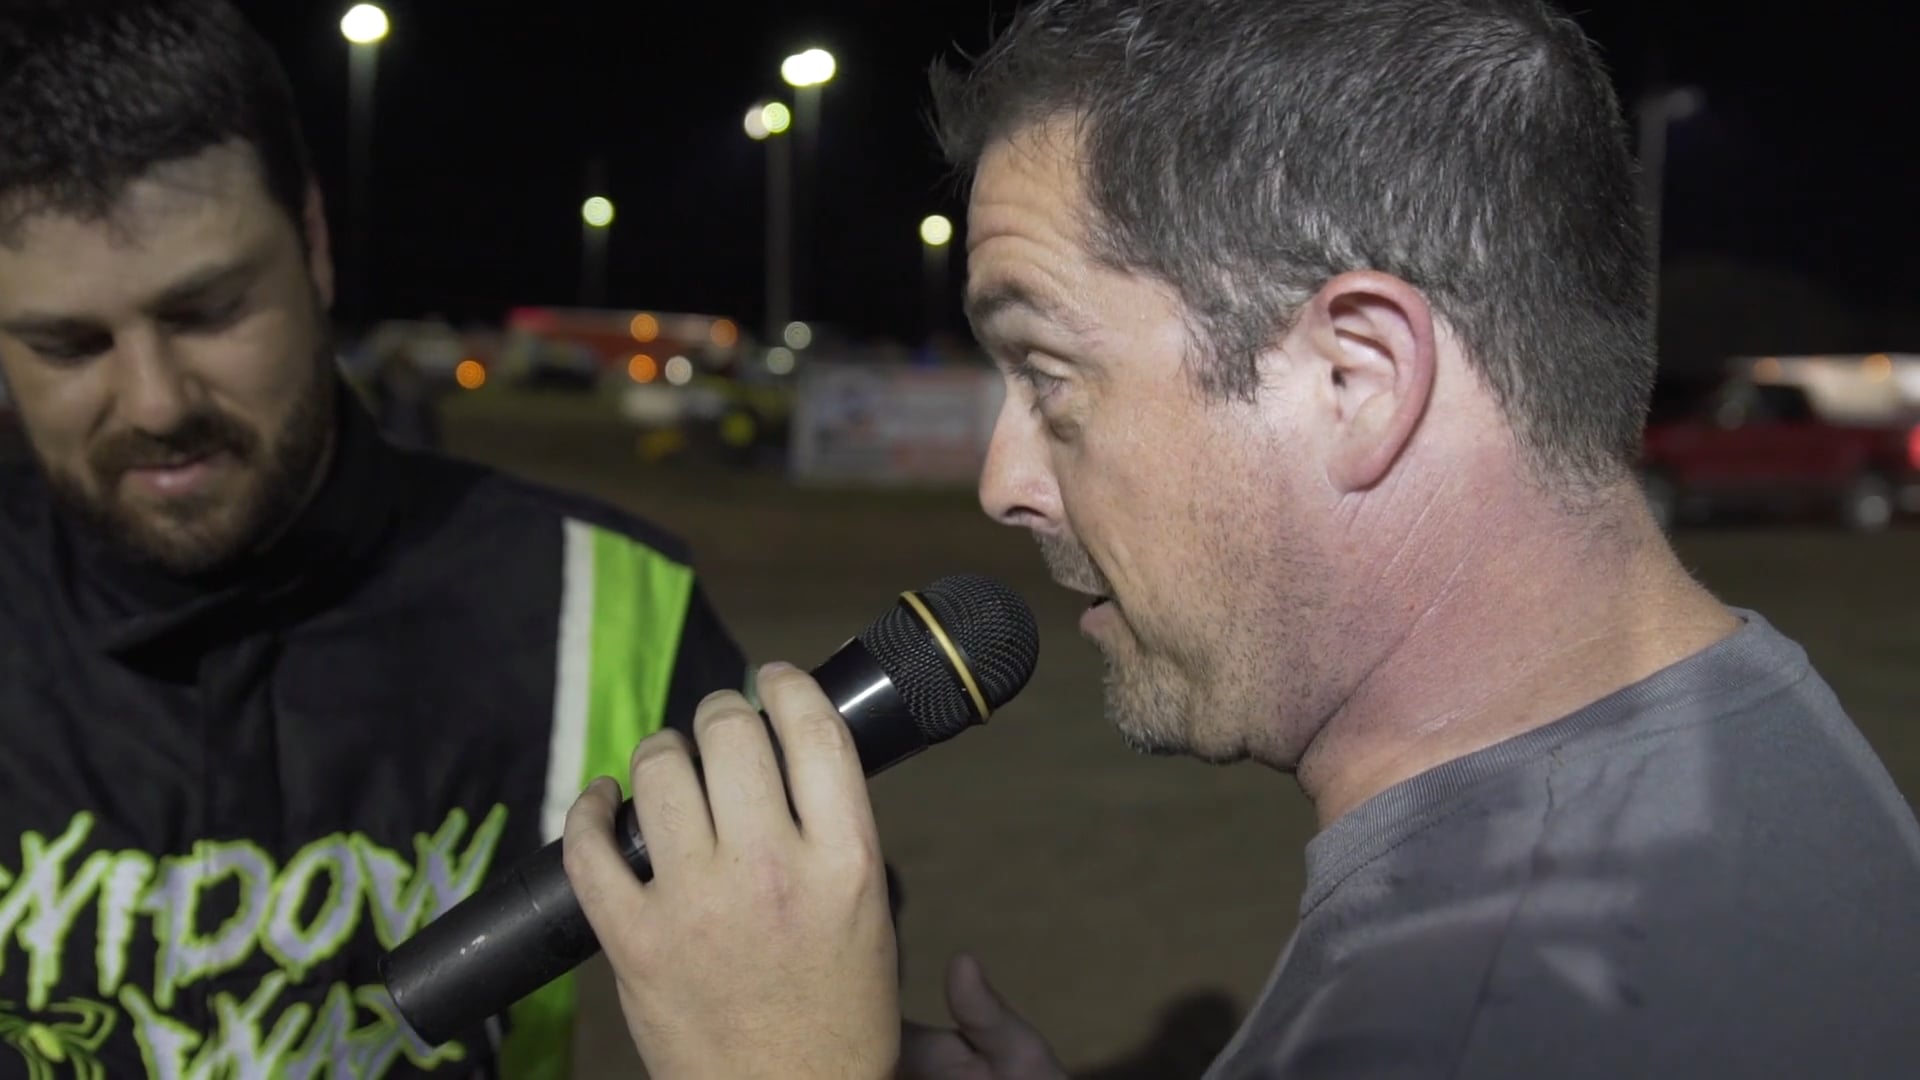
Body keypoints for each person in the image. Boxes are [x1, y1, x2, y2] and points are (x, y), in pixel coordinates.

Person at [561, 0, 1920, 1076]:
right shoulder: (1734, 721)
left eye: (1049, 376)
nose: (1005, 483)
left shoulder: (1463, 1012)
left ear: (1355, 379)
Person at [0, 1, 750, 1076]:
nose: (156, 402)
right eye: (69, 346)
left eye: (209, 311)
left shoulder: (601, 603)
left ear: (312, 244)